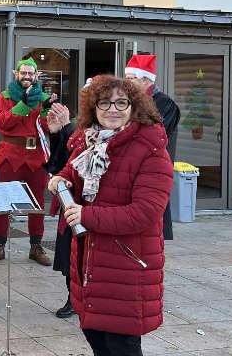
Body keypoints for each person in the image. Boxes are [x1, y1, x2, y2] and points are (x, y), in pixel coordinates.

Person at [48, 75, 172, 356]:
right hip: (90, 263)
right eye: (105, 103)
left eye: (121, 103)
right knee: (96, 339)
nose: (112, 110)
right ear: (94, 107)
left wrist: (87, 216)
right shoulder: (87, 140)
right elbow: (71, 169)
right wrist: (62, 179)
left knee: (121, 347)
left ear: (134, 106)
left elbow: (146, 213)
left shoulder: (151, 149)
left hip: (126, 265)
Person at [0, 57, 55, 265]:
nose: (27, 76)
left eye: (30, 73)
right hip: (11, 153)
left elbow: (48, 128)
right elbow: (3, 122)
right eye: (23, 72)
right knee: (3, 201)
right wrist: (24, 105)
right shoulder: (6, 96)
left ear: (36, 76)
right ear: (15, 74)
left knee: (37, 202)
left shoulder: (44, 97)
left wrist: (46, 110)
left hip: (36, 156)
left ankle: (35, 246)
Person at [125, 54, 180, 240]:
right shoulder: (130, 102)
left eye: (130, 79)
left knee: (151, 222)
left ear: (146, 79)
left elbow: (153, 134)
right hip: (133, 170)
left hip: (153, 171)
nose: (126, 83)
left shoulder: (165, 104)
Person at [44, 99, 76, 319]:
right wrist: (56, 133)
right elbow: (62, 162)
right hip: (72, 200)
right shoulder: (79, 128)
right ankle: (73, 298)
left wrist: (67, 128)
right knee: (68, 253)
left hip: (93, 204)